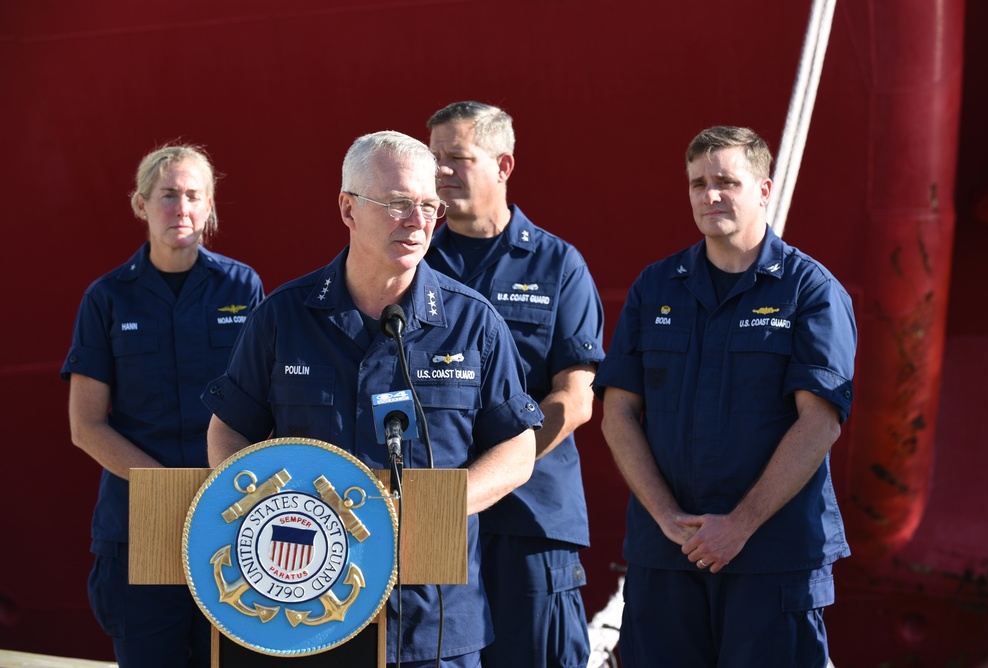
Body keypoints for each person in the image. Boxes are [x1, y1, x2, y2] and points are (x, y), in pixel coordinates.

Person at [202, 130, 539, 667]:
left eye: (429, 205)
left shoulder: (472, 322)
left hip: (430, 618)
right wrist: (257, 511)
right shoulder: (284, 317)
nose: (419, 220)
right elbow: (229, 429)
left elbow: (517, 451)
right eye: (399, 203)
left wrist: (428, 513)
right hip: (308, 609)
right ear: (348, 208)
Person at [595, 126, 857, 667]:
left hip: (771, 559)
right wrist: (667, 518)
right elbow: (617, 412)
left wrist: (739, 525)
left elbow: (820, 422)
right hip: (667, 555)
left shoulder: (809, 290)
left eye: (726, 182)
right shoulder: (655, 287)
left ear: (763, 189)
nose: (710, 195)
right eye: (698, 183)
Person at [62, 144, 264, 668]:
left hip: (229, 520)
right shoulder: (108, 299)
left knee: (234, 658)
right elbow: (85, 425)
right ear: (141, 204)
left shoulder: (243, 287)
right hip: (139, 522)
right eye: (168, 195)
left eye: (194, 196)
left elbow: (263, 404)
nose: (182, 209)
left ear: (211, 204)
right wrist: (162, 488)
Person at [424, 101, 604, 668]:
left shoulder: (558, 266)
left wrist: (494, 474)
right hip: (431, 519)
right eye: (433, 160)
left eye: (457, 158)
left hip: (530, 515)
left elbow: (575, 400)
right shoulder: (412, 262)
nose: (440, 173)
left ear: (503, 166)